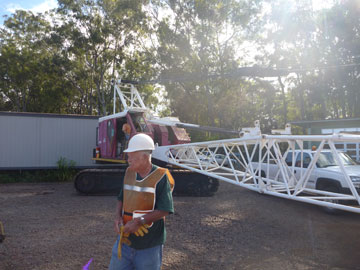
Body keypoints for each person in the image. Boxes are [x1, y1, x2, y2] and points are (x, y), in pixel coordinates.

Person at [109, 133, 174, 270]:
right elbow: (121, 198)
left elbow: (165, 209)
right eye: (128, 155)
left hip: (149, 247)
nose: (128, 159)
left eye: (132, 155)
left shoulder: (161, 177)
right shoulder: (129, 172)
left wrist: (139, 221)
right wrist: (117, 217)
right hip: (125, 242)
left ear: (145, 157)